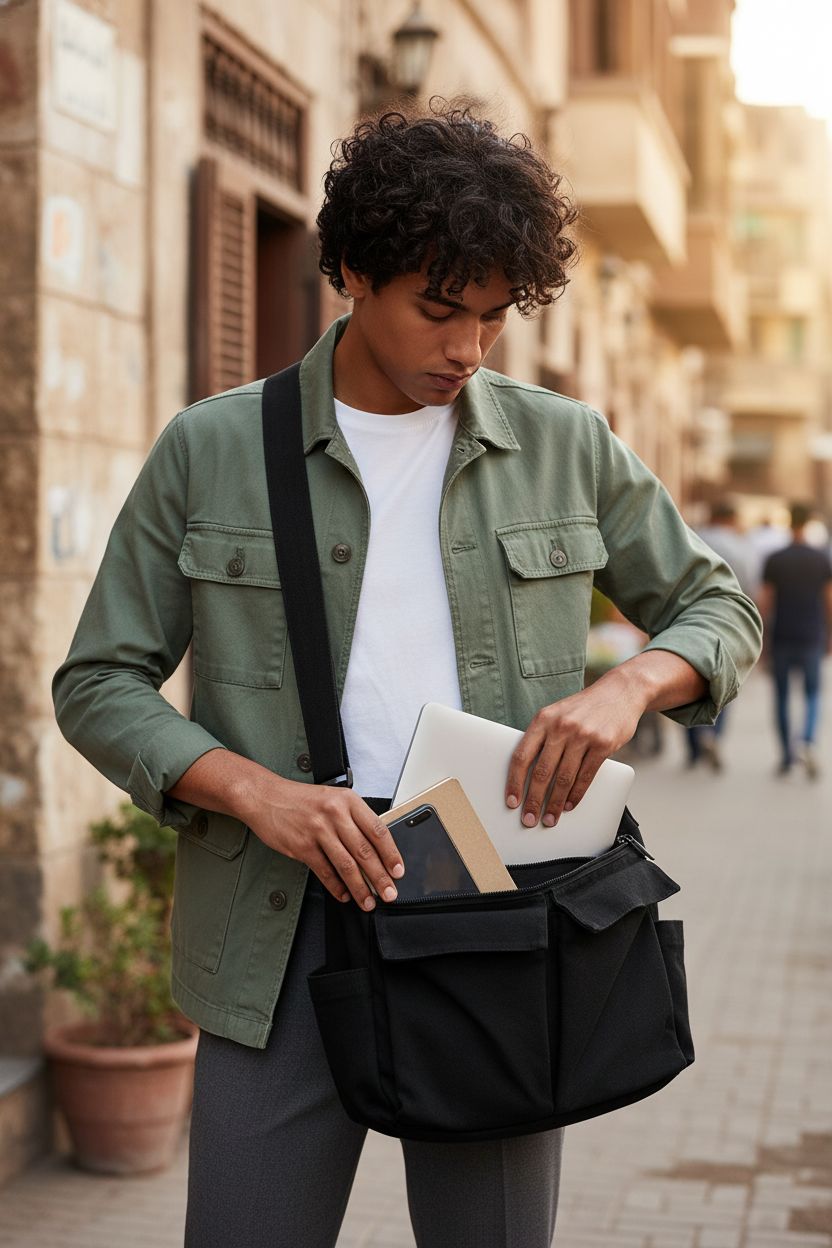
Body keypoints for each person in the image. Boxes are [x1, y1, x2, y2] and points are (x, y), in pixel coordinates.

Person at [52, 103, 762, 1248]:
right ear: (348, 272)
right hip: (277, 916)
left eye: (492, 317)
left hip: (494, 903)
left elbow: (716, 603)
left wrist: (630, 686)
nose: (467, 349)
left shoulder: (564, 443)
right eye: (439, 310)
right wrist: (251, 790)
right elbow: (98, 680)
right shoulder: (214, 447)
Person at [759, 502, 832, 778]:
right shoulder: (821, 558)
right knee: (813, 694)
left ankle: (786, 756)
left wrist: (761, 641)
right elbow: (829, 601)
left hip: (782, 636)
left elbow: (765, 603)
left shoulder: (775, 559)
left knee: (781, 696)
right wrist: (829, 634)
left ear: (790, 523)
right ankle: (808, 741)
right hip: (812, 634)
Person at [685, 500, 757, 771]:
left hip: (688, 621)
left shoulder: (692, 536)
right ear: (729, 519)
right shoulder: (741, 547)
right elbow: (751, 584)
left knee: (689, 683)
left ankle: (694, 748)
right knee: (725, 684)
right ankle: (713, 735)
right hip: (729, 625)